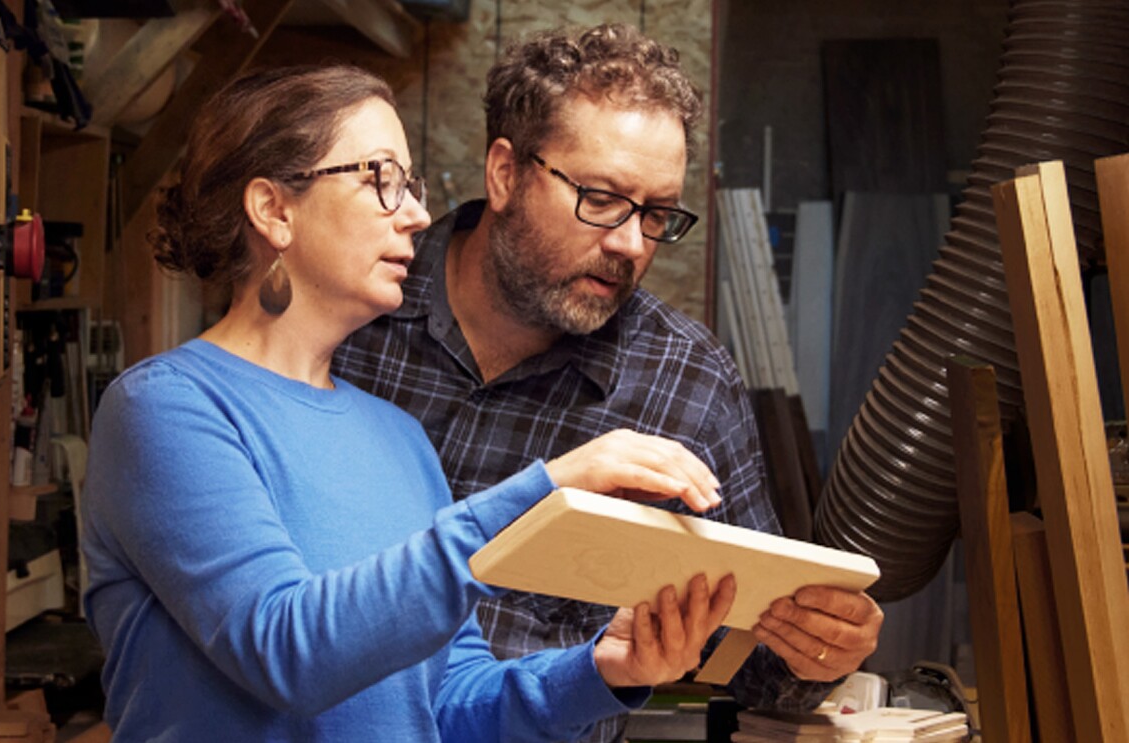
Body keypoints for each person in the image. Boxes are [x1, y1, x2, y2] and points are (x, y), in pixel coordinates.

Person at [80, 64, 741, 742]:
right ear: (275, 209)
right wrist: (544, 493)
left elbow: (449, 701)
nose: (419, 214)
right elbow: (287, 651)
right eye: (381, 180)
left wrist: (603, 669)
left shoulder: (397, 437)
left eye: (411, 184)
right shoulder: (165, 410)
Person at [332, 23, 885, 741]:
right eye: (600, 197)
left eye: (657, 214)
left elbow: (758, 669)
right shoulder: (352, 318)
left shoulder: (685, 383)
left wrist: (818, 645)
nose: (629, 243)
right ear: (504, 173)